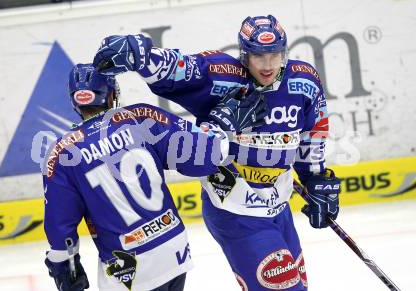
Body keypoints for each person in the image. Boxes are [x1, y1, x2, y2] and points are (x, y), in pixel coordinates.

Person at [92, 14, 341, 291]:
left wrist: (316, 178)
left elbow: (312, 133)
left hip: (279, 207)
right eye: (259, 56)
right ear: (245, 55)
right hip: (235, 210)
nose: (268, 65)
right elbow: (180, 69)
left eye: (275, 55)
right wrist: (142, 56)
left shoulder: (304, 81)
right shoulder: (222, 75)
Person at [42, 63, 266, 291]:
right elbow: (204, 156)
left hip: (126, 270)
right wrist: (223, 123)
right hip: (172, 249)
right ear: (111, 93)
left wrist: (65, 268)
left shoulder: (61, 154)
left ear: (75, 101)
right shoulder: (141, 117)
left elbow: (60, 228)